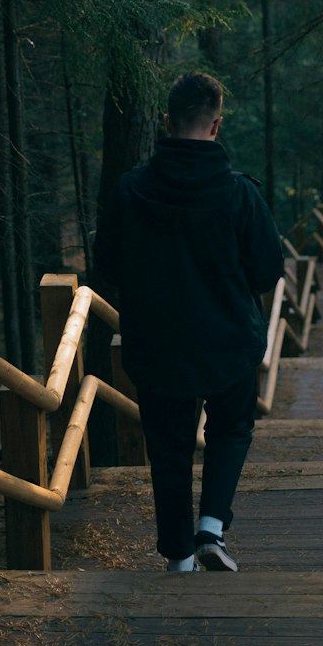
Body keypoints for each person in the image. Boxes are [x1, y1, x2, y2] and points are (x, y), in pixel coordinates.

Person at [93, 71, 284, 573]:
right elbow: (267, 271)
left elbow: (107, 268)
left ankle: (178, 557)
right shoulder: (241, 196)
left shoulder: (131, 191)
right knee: (231, 428)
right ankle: (211, 529)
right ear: (216, 125)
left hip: (157, 345)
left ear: (165, 121)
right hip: (228, 341)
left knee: (169, 447)